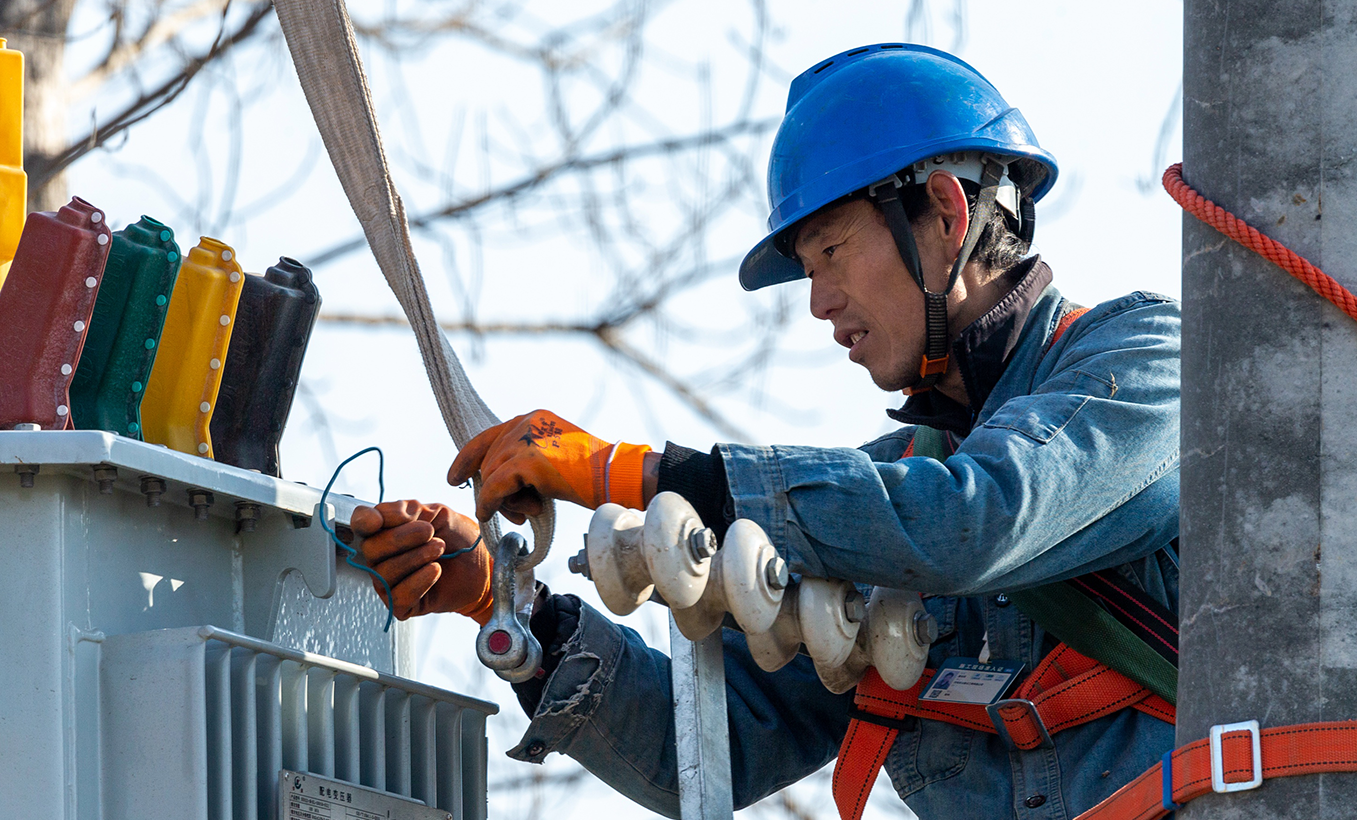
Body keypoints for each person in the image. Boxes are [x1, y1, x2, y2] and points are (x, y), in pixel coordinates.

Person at [351, 43, 1180, 818]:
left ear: (943, 212)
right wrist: (505, 602)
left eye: (832, 252)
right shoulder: (882, 507)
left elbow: (979, 519)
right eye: (808, 271)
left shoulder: (1150, 366)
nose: (818, 303)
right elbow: (709, 743)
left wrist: (635, 475)